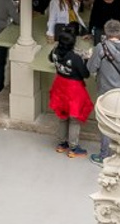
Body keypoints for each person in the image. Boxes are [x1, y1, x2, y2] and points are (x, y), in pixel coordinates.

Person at [88, 21, 120, 164]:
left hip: (106, 91)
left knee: (106, 124)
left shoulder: (101, 48)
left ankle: (104, 156)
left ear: (106, 31)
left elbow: (91, 68)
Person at [47, 23, 93, 157]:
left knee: (62, 116)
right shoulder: (75, 58)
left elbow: (50, 59)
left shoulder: (55, 52)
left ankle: (62, 144)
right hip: (74, 89)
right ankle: (73, 148)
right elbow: (85, 74)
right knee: (74, 118)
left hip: (59, 85)